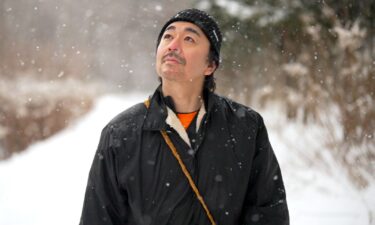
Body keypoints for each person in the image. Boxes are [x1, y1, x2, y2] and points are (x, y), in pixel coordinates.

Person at [79, 8, 289, 225]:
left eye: (189, 38)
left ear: (210, 65)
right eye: (168, 36)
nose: (172, 45)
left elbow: (269, 212)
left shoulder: (246, 126)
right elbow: (98, 218)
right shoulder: (120, 133)